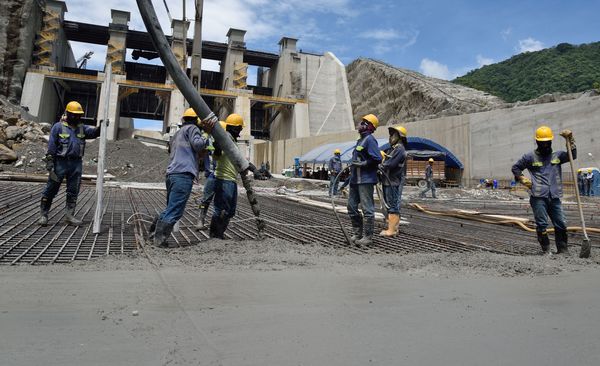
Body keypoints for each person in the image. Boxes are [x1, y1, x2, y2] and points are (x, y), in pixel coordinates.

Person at [151, 108, 213, 247]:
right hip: (183, 175)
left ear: (183, 119)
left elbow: (175, 150)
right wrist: (207, 133)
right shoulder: (192, 129)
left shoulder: (178, 133)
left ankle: (153, 233)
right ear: (196, 120)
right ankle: (159, 240)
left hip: (172, 174)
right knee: (175, 211)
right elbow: (198, 145)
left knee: (170, 208)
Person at [511, 125, 576, 255]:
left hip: (555, 196)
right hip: (538, 197)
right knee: (542, 224)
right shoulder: (530, 157)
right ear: (538, 142)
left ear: (551, 141)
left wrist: (571, 141)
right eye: (543, 142)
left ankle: (563, 250)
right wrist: (523, 179)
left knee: (561, 223)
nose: (545, 145)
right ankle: (546, 251)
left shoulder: (557, 156)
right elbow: (516, 168)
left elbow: (572, 156)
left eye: (547, 142)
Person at [38, 101, 102, 226]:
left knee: (73, 190)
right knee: (51, 189)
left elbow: (94, 133)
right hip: (60, 163)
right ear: (68, 114)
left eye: (79, 115)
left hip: (76, 164)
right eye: (74, 115)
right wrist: (50, 161)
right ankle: (43, 215)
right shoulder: (58, 127)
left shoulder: (82, 128)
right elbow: (52, 145)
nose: (77, 117)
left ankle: (69, 216)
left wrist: (101, 127)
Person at [347, 114, 382, 247]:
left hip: (365, 180)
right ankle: (358, 233)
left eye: (364, 122)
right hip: (355, 179)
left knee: (367, 209)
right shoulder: (360, 141)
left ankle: (368, 236)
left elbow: (377, 158)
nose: (360, 124)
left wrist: (363, 164)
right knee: (351, 206)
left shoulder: (370, 140)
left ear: (370, 126)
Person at [209, 113, 244, 239]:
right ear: (235, 128)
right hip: (224, 179)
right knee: (221, 210)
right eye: (240, 128)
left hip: (230, 179)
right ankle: (215, 235)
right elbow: (216, 156)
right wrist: (217, 148)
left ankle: (219, 234)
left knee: (229, 211)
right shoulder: (225, 137)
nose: (241, 131)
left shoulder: (231, 140)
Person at [195, 121, 225, 230]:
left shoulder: (221, 140)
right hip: (213, 175)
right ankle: (201, 221)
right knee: (206, 200)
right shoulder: (209, 139)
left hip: (221, 174)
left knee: (216, 201)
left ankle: (213, 224)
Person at [379, 125, 407, 237]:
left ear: (399, 136)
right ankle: (392, 227)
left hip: (393, 181)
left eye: (392, 135)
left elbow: (391, 164)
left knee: (392, 205)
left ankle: (392, 230)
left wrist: (380, 165)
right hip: (388, 180)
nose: (390, 138)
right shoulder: (393, 149)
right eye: (390, 135)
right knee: (389, 204)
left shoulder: (399, 149)